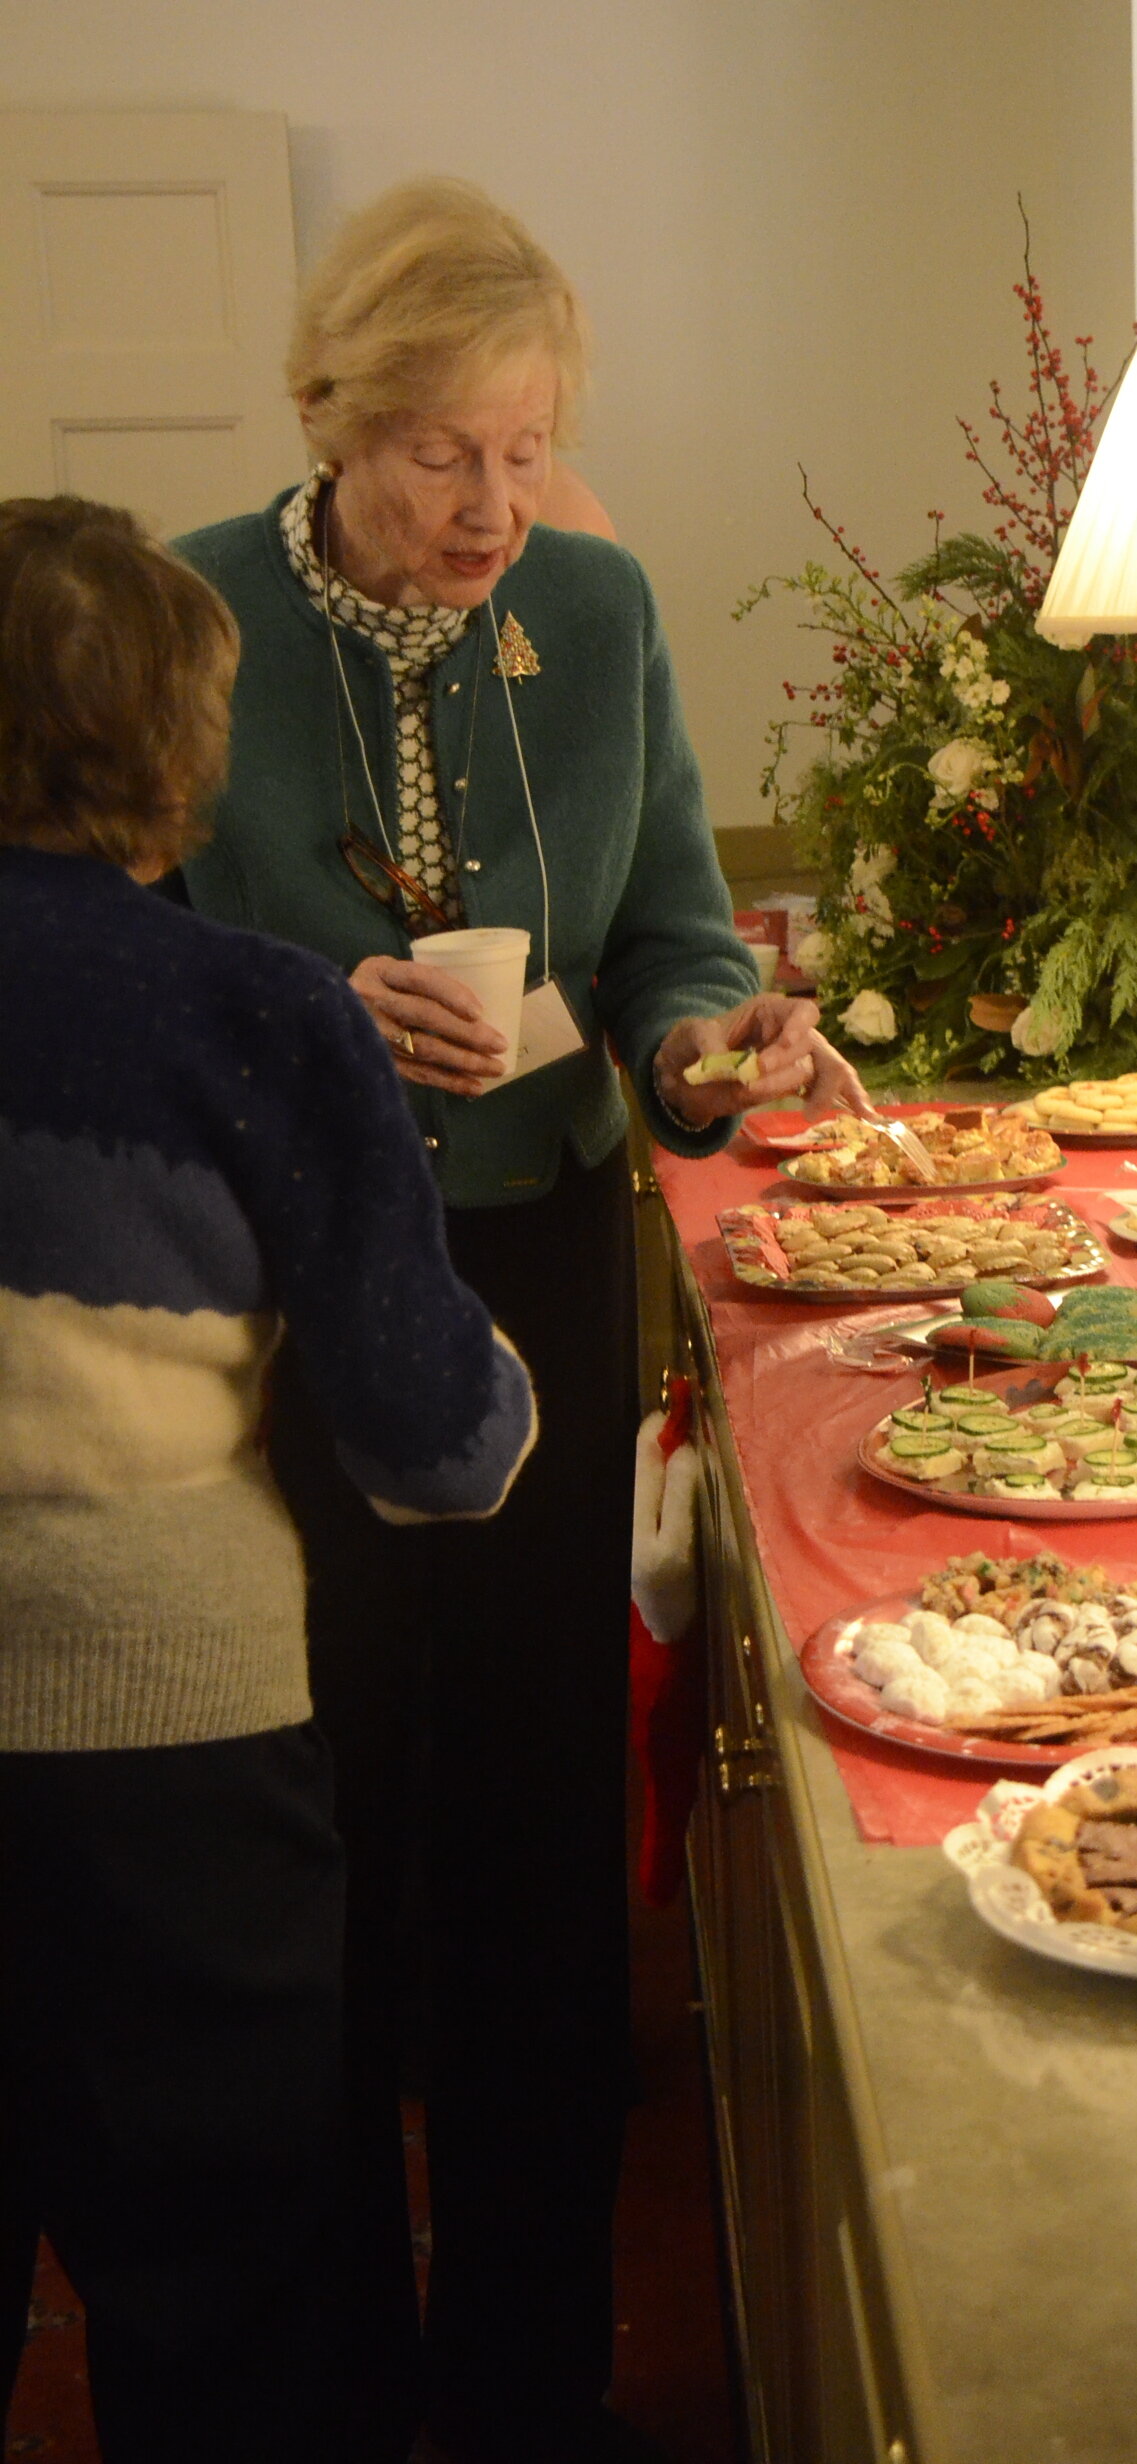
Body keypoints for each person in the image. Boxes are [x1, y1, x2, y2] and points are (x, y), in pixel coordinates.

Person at [172, 177, 865, 2464]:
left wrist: (704, 1048)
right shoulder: (188, 615)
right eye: (437, 454)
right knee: (334, 1828)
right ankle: (335, 2373)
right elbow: (118, 966)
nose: (490, 508)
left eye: (527, 446)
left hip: (541, 1263)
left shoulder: (598, 598)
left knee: (537, 1840)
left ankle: (532, 2370)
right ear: (330, 420)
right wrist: (306, 1019)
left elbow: (674, 931)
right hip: (276, 1292)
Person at [0, 496, 539, 2464]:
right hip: (172, 1738)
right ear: (178, 748)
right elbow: (429, 1438)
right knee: (219, 2288)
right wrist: (505, 1395)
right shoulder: (256, 1011)